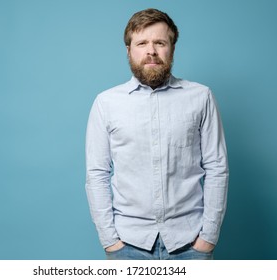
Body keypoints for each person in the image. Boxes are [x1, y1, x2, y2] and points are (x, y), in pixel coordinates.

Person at [85, 8, 229, 260]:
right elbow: (96, 174)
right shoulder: (105, 103)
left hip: (190, 244)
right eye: (142, 43)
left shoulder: (201, 97)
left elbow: (217, 168)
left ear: (172, 48)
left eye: (160, 42)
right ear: (129, 50)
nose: (151, 50)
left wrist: (208, 237)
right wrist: (110, 240)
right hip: (127, 245)